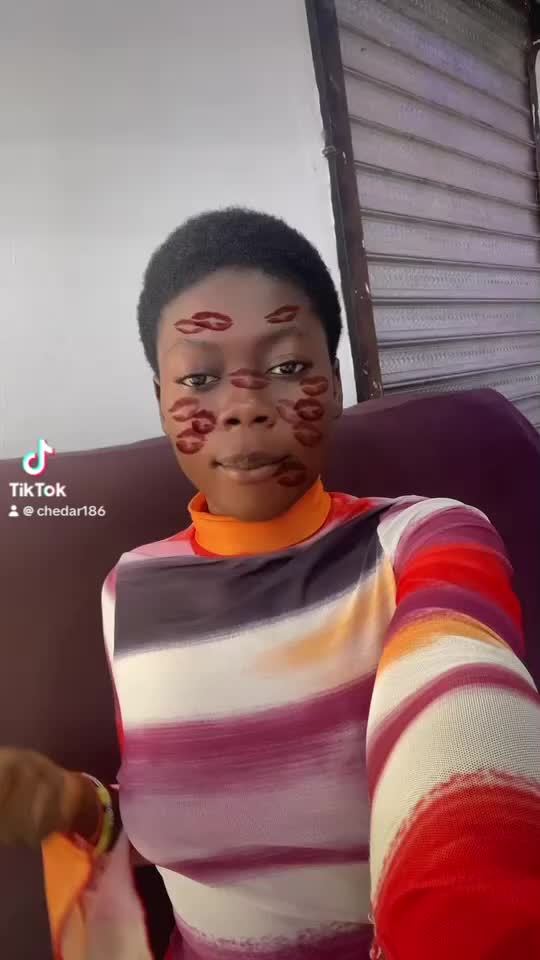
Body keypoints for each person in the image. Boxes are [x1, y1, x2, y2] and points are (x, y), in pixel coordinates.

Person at [1, 208, 540, 960]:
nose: (246, 407)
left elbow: (468, 751)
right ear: (160, 399)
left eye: (287, 368)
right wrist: (71, 805)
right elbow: (173, 828)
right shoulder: (129, 591)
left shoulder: (426, 539)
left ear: (336, 383)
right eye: (199, 379)